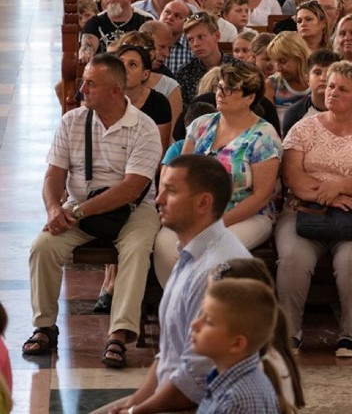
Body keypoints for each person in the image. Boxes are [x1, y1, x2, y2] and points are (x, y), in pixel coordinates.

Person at [23, 55, 161, 369]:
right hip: (81, 206)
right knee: (42, 247)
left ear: (115, 91)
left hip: (133, 208)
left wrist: (79, 212)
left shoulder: (144, 127)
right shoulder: (72, 121)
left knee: (137, 250)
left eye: (90, 83)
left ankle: (119, 333)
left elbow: (132, 188)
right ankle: (44, 326)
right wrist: (54, 209)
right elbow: (53, 176)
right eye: (84, 81)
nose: (81, 88)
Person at [90, 155, 252, 414]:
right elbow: (170, 352)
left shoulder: (217, 269)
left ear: (203, 202)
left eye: (171, 191)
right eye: (161, 188)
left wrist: (136, 411)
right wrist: (133, 402)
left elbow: (194, 382)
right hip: (168, 395)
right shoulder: (189, 252)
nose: (158, 199)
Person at [276, 61, 352, 357]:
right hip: (305, 210)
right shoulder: (303, 129)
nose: (333, 92)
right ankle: (289, 332)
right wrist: (326, 196)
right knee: (292, 259)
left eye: (343, 89)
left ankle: (349, 335)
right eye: (330, 86)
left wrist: (339, 185)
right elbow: (292, 177)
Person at [154, 63, 282, 285]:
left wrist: (216, 222)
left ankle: (209, 315)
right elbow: (184, 174)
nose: (220, 94)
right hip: (197, 211)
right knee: (165, 246)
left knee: (207, 252)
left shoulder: (264, 136)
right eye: (220, 87)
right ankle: (179, 309)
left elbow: (261, 195)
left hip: (245, 214)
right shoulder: (200, 125)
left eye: (229, 90)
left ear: (249, 98)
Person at [191, 278, 285, 414]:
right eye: (201, 316)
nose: (194, 324)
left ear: (237, 344)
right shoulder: (223, 378)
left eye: (208, 322)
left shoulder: (237, 402)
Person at [265, 31, 311, 126]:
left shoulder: (318, 81)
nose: (278, 68)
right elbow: (269, 124)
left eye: (283, 61)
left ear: (299, 57)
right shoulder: (272, 84)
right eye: (275, 62)